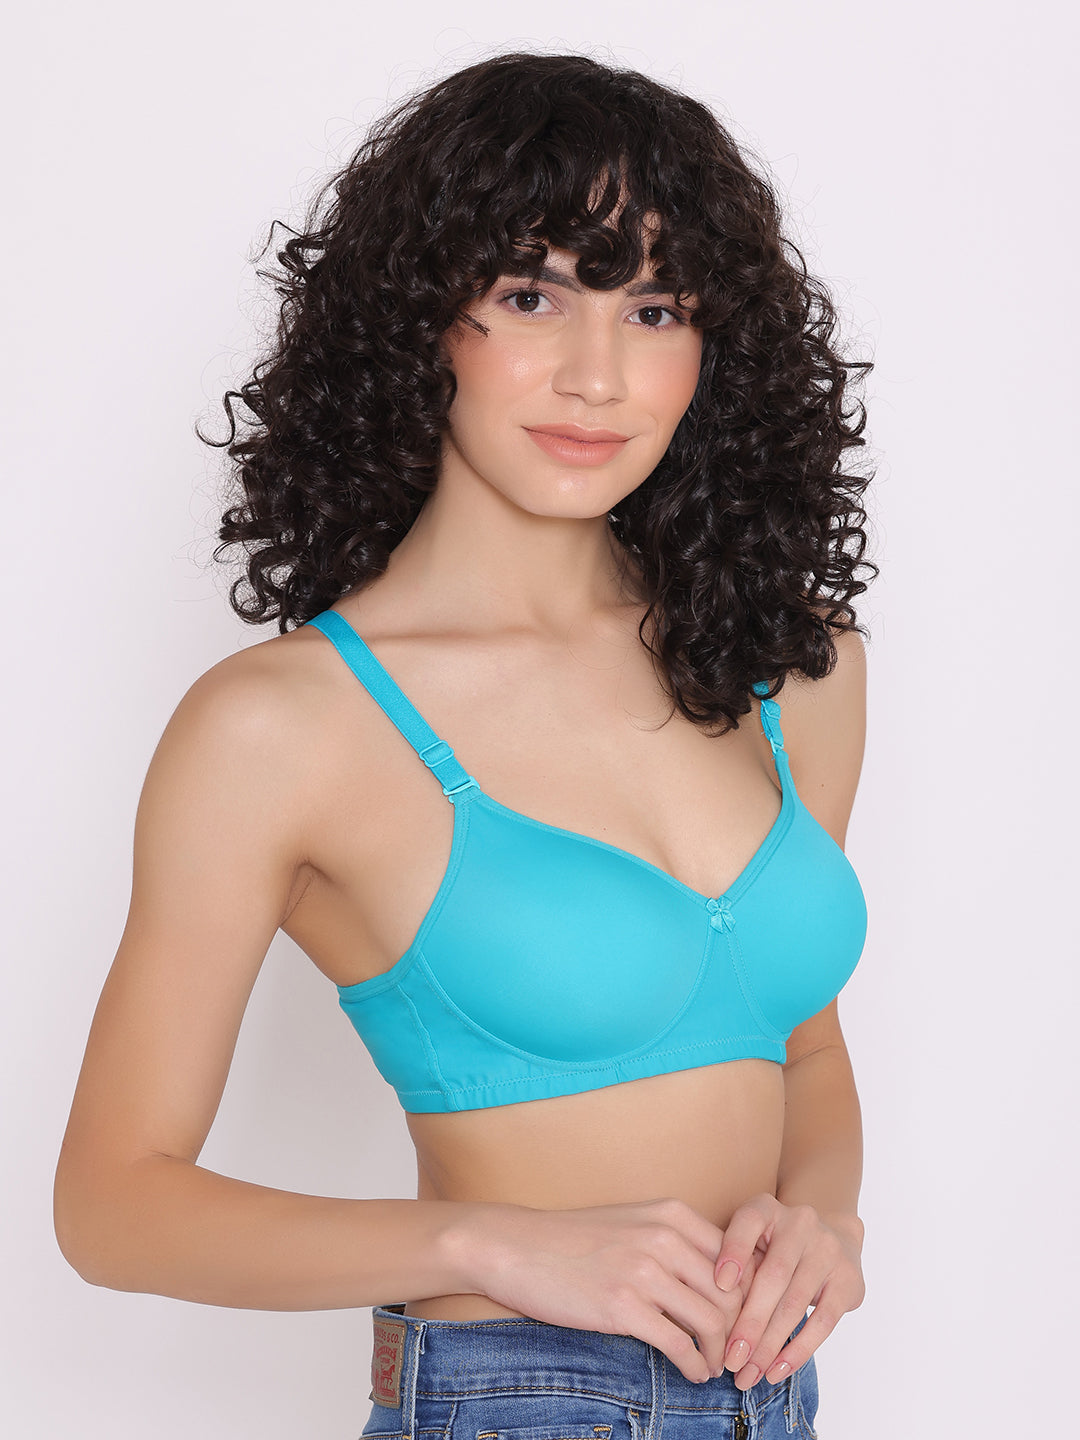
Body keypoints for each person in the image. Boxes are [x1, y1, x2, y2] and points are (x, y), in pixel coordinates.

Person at [53, 51, 877, 1439]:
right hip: (513, 1399)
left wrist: (826, 1222)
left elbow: (798, 1045)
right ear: (419, 320)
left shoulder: (791, 666)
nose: (597, 376)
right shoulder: (286, 727)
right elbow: (112, 1207)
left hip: (768, 1401)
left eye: (656, 310)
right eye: (531, 296)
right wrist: (484, 1243)